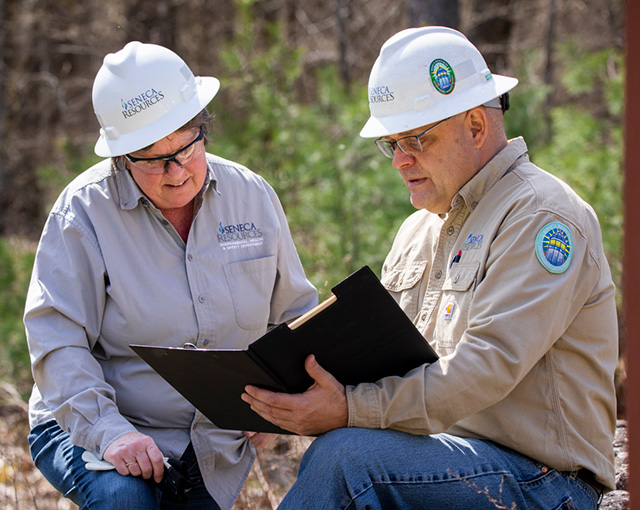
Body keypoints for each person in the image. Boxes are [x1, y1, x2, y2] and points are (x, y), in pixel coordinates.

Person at [241, 26, 618, 509]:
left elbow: (485, 368)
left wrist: (348, 409)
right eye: (391, 144)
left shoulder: (542, 217)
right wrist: (289, 399)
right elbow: (386, 360)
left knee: (347, 460)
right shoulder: (418, 230)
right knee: (343, 454)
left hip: (542, 482)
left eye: (415, 140)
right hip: (440, 459)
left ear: (477, 127)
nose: (399, 161)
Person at [24, 41, 317, 510]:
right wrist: (110, 432)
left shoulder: (253, 197)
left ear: (203, 128)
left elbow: (294, 315)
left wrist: (280, 392)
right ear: (121, 158)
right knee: (125, 500)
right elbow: (57, 341)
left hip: (212, 442)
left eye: (186, 146)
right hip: (93, 423)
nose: (177, 171)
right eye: (152, 158)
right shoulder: (82, 213)